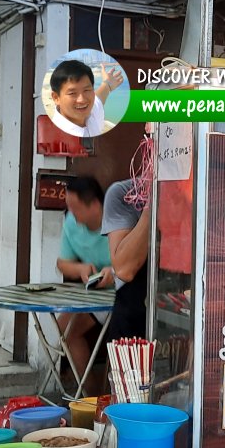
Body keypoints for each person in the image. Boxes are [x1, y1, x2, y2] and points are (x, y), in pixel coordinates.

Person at [54, 177, 114, 383]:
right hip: (97, 294)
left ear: (95, 205)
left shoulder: (117, 219)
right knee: (65, 328)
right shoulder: (71, 222)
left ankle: (104, 394)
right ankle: (89, 394)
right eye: (68, 207)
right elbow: (62, 263)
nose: (71, 213)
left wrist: (114, 271)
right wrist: (80, 268)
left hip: (127, 292)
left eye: (75, 207)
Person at [101, 176, 152, 342]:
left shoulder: (204, 192)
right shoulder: (124, 194)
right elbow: (125, 270)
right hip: (133, 321)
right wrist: (152, 203)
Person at [49, 59, 124, 138]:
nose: (82, 100)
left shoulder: (92, 113)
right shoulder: (55, 136)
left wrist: (107, 84)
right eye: (72, 93)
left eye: (86, 90)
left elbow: (99, 97)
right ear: (56, 98)